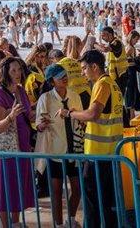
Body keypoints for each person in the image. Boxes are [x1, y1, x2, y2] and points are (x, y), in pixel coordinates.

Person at [65, 50, 124, 228]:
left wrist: (71, 113)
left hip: (98, 154)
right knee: (107, 203)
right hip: (110, 152)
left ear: (95, 67)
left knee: (93, 203)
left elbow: (93, 114)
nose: (83, 73)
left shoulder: (102, 84)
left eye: (84, 68)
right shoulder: (113, 84)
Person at [35, 64, 85, 228]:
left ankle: (71, 218)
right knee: (56, 192)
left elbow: (82, 120)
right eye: (60, 77)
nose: (64, 78)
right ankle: (58, 224)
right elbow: (38, 124)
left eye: (65, 75)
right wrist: (42, 125)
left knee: (77, 188)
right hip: (55, 150)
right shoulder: (45, 98)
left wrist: (78, 118)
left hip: (75, 149)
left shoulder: (74, 95)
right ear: (52, 81)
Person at [0, 56, 35, 226]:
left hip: (22, 146)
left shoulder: (20, 90)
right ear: (5, 72)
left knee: (18, 187)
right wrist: (11, 116)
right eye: (13, 70)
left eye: (19, 69)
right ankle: (6, 225)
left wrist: (39, 118)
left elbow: (28, 115)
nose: (18, 73)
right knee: (5, 188)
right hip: (6, 149)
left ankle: (15, 222)